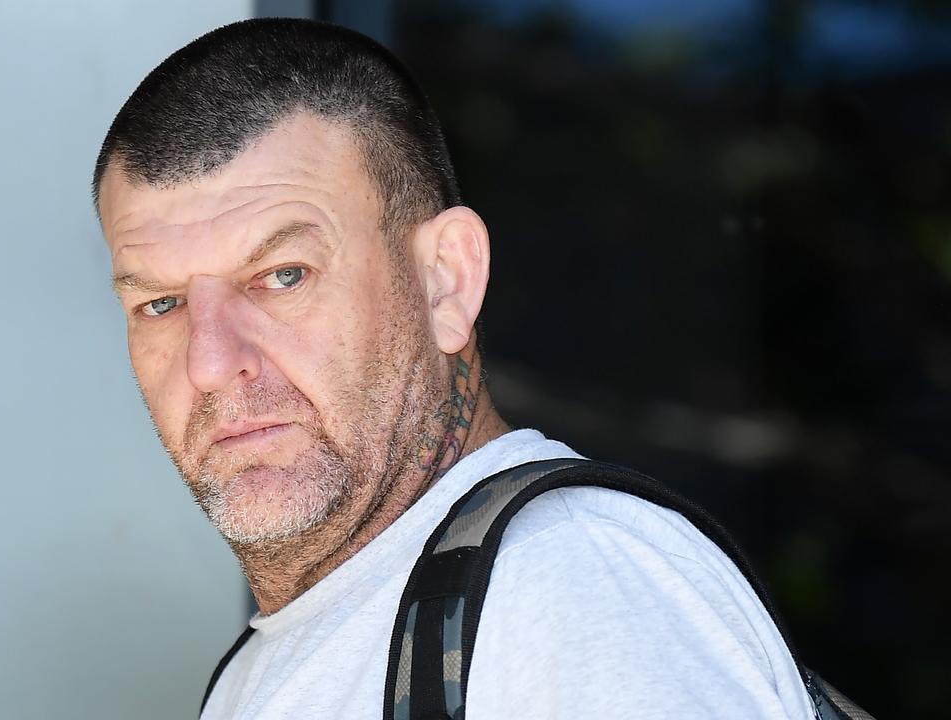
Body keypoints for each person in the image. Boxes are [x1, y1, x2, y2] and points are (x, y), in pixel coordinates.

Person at [92, 18, 816, 719]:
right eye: (161, 304)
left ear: (445, 279)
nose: (213, 363)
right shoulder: (261, 673)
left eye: (284, 275)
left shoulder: (565, 579)